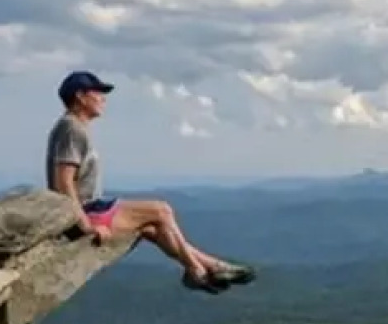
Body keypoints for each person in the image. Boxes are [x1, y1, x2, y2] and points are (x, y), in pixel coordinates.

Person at [45, 70, 255, 294]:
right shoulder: (72, 128)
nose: (103, 99)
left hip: (90, 208)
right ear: (80, 96)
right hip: (85, 214)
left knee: (153, 228)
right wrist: (86, 226)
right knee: (161, 211)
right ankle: (197, 271)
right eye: (98, 93)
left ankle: (211, 265)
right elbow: (63, 182)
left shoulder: (74, 127)